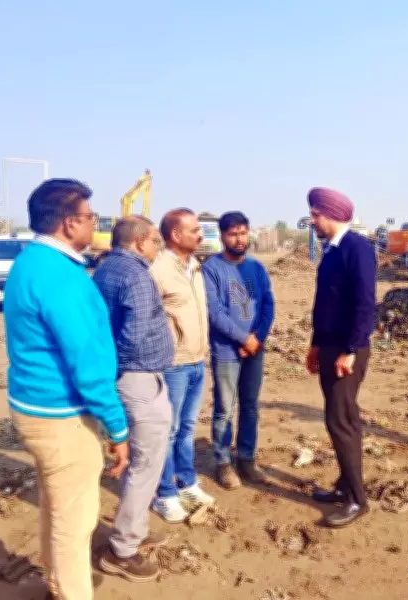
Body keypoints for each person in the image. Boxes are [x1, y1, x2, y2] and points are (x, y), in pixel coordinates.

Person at [3, 179, 130, 600]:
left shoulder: (32, 260)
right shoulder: (61, 277)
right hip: (61, 417)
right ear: (69, 222)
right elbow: (88, 365)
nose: (95, 223)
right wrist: (117, 429)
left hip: (33, 407)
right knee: (74, 522)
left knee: (56, 509)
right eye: (91, 216)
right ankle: (69, 590)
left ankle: (57, 584)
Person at [92, 216, 174, 582]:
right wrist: (120, 369)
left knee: (142, 462)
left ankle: (134, 530)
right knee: (145, 464)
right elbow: (133, 334)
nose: (158, 247)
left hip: (128, 377)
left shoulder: (108, 268)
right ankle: (124, 548)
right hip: (138, 379)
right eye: (156, 240)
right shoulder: (136, 275)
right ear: (140, 242)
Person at [304, 187, 376, 528]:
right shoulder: (331, 251)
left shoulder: (357, 248)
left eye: (315, 214)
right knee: (339, 417)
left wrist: (350, 350)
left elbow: (365, 304)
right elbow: (326, 304)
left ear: (330, 214)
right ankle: (345, 485)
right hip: (331, 346)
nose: (312, 220)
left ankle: (357, 500)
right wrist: (316, 344)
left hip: (348, 349)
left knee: (341, 420)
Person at [202, 211, 275, 490]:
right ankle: (223, 462)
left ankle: (246, 459)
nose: (239, 238)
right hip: (227, 351)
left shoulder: (256, 268)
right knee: (224, 409)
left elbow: (268, 304)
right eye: (233, 233)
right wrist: (244, 339)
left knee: (250, 406)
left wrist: (258, 337)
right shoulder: (211, 269)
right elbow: (215, 312)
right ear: (222, 236)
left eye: (243, 232)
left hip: (255, 349)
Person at [150, 208, 214, 523]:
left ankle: (186, 482)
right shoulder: (158, 269)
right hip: (173, 365)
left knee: (187, 428)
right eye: (194, 230)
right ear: (176, 235)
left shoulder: (195, 267)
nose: (200, 235)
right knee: (169, 430)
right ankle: (164, 493)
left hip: (197, 361)